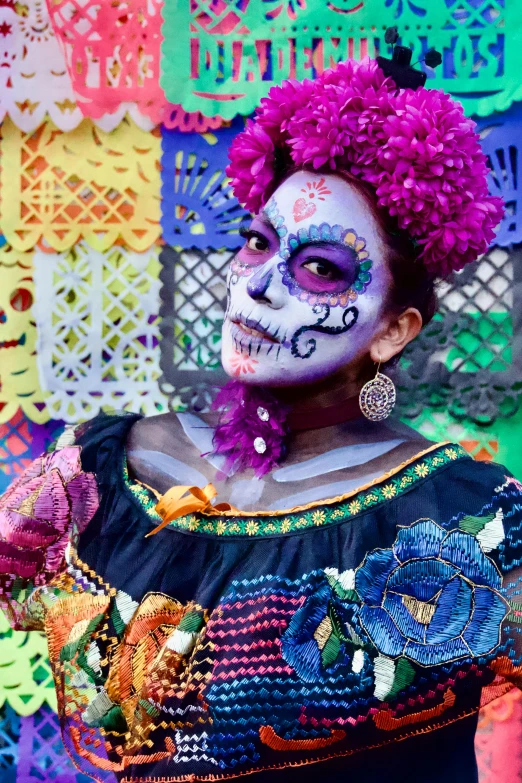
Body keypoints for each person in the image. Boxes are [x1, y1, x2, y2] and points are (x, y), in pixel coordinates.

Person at [1, 43, 520, 783]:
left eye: (319, 268)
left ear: (393, 329)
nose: (258, 288)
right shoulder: (102, 471)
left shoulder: (469, 520)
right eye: (257, 243)